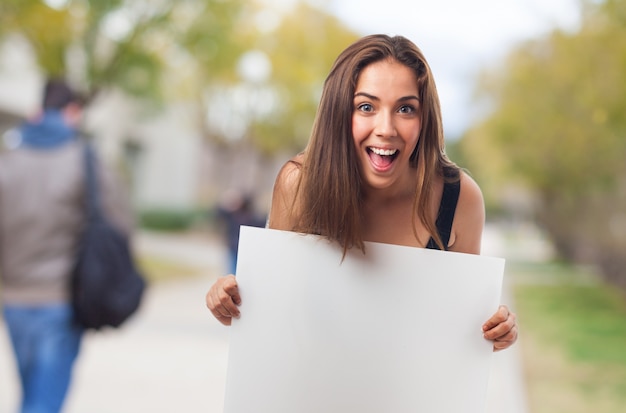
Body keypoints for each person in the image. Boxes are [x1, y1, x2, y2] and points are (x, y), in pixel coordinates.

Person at [205, 34, 518, 352]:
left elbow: (461, 332)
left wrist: (494, 333)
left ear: (425, 119)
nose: (386, 128)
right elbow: (272, 311)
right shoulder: (298, 184)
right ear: (340, 114)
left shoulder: (459, 198)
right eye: (366, 107)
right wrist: (231, 301)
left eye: (406, 109)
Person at [0, 78, 133, 413]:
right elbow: (121, 225)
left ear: (38, 110)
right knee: (43, 403)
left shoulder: (7, 160)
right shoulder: (85, 161)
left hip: (12, 299)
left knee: (32, 395)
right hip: (61, 300)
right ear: (73, 111)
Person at [216, 191, 267, 275]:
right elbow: (219, 212)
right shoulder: (234, 215)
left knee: (235, 273)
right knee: (234, 273)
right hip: (236, 248)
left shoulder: (249, 217)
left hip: (242, 249)